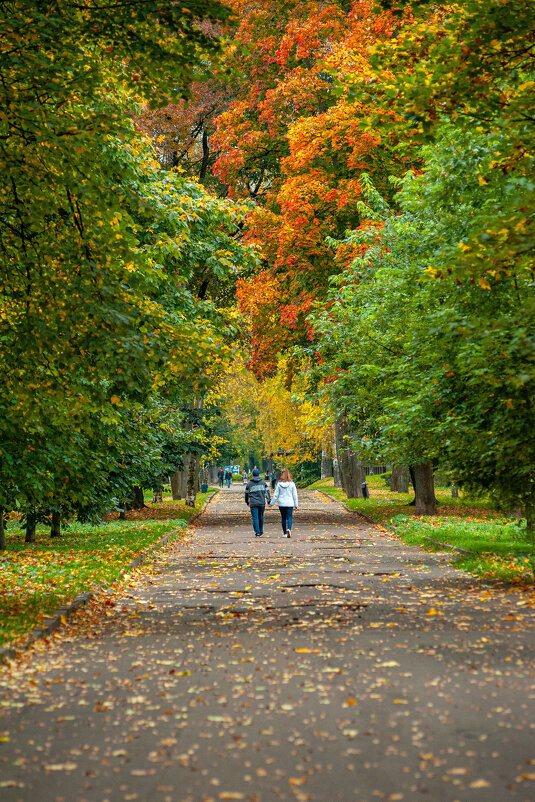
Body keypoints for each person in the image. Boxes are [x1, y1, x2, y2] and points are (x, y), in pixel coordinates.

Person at [269, 467, 298, 538]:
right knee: (290, 517)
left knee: (283, 518)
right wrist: (296, 504)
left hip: (281, 503)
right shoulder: (292, 484)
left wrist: (271, 503)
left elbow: (276, 495)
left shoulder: (279, 484)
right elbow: (295, 495)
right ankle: (289, 529)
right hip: (289, 503)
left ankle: (285, 533)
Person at [245, 468, 271, 537]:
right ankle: (261, 530)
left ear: (252, 475)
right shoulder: (263, 483)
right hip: (262, 502)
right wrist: (268, 501)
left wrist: (247, 502)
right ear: (259, 475)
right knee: (261, 517)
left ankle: (257, 532)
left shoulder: (249, 484)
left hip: (253, 503)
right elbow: (267, 492)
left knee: (255, 518)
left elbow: (246, 494)